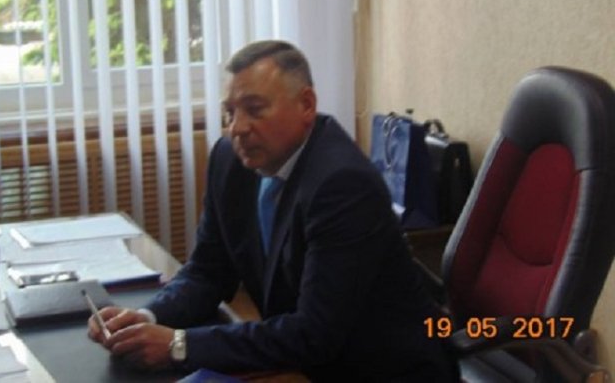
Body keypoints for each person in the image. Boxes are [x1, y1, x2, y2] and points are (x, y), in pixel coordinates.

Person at [88, 40, 457, 381]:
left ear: (306, 105)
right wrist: (147, 317)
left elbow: (314, 334)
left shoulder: (343, 184)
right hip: (300, 364)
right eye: (229, 112)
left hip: (383, 371)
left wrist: (178, 345)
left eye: (254, 109)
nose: (237, 128)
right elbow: (207, 271)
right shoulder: (229, 160)